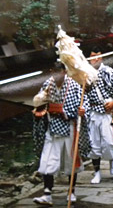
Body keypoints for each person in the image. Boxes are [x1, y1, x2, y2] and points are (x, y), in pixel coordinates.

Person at [32, 62, 90, 205]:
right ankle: (47, 193)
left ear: (65, 72)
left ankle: (71, 192)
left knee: (71, 161)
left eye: (60, 72)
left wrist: (82, 110)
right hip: (52, 127)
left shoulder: (74, 85)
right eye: (54, 72)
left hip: (69, 126)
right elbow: (39, 101)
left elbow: (84, 102)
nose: (57, 75)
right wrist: (39, 106)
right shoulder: (48, 84)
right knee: (47, 161)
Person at [85, 47, 113, 184]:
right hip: (91, 113)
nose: (95, 59)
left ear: (101, 57)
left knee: (108, 141)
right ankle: (97, 172)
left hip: (106, 111)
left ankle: (112, 161)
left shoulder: (108, 72)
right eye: (92, 56)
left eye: (98, 56)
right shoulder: (84, 75)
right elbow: (81, 95)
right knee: (93, 144)